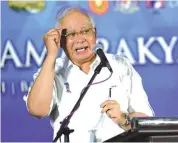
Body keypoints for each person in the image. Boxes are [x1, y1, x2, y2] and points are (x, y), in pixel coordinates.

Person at [25, 6, 154, 142]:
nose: (80, 39)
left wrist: (124, 119)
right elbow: (37, 110)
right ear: (60, 41)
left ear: (94, 33)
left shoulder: (120, 66)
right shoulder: (52, 71)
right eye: (71, 34)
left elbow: (146, 121)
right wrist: (51, 55)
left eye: (85, 31)